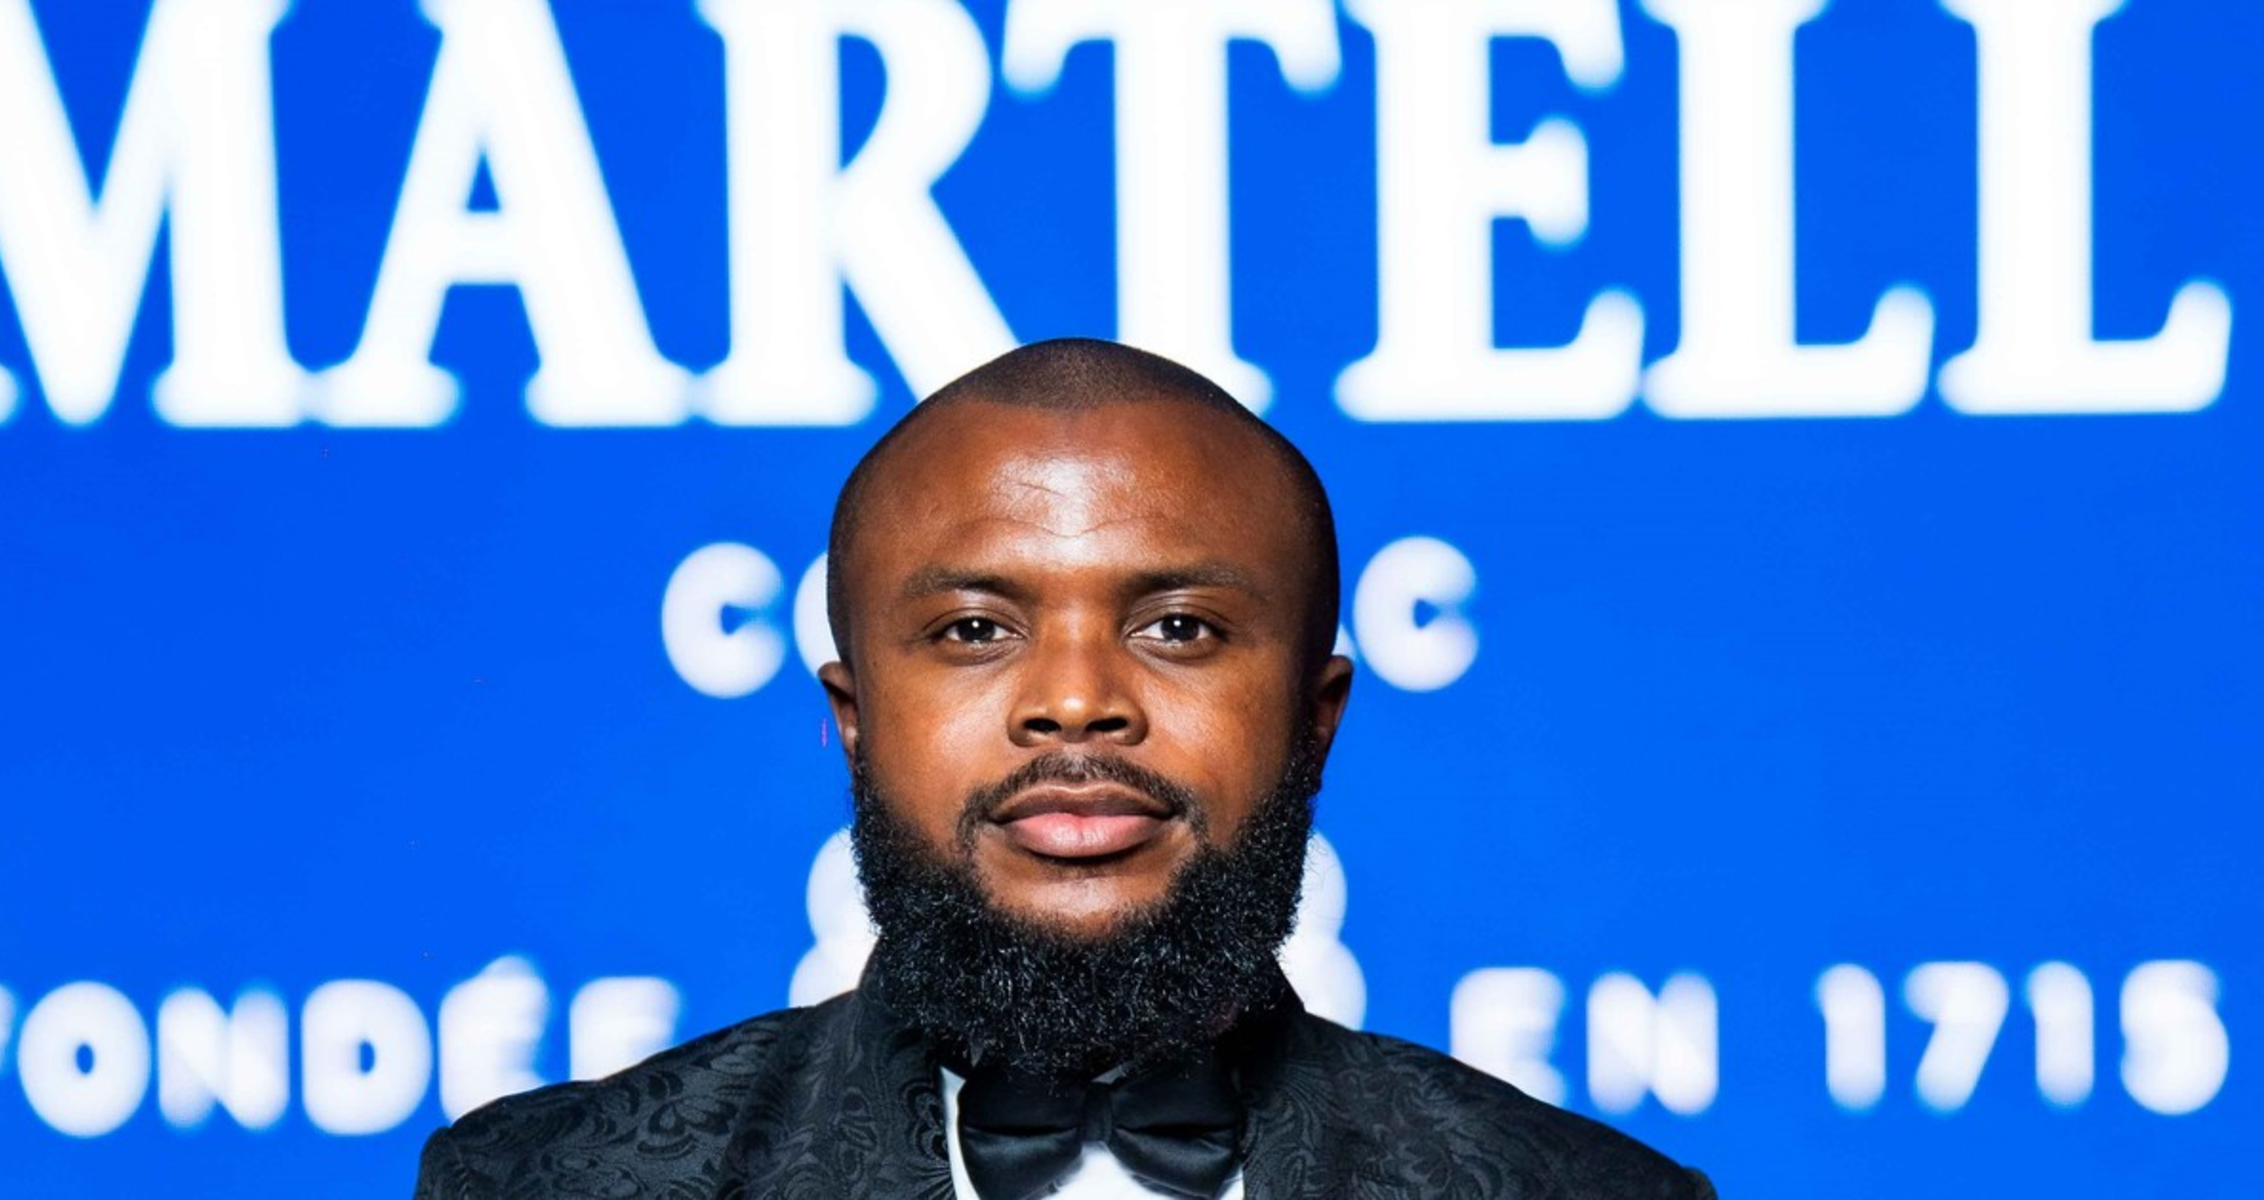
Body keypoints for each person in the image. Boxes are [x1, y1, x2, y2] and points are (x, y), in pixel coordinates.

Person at [413, 339, 1715, 1198]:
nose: (1077, 702)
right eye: (974, 631)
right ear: (853, 719)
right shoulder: (541, 1187)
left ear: (1315, 718)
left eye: (1179, 629)